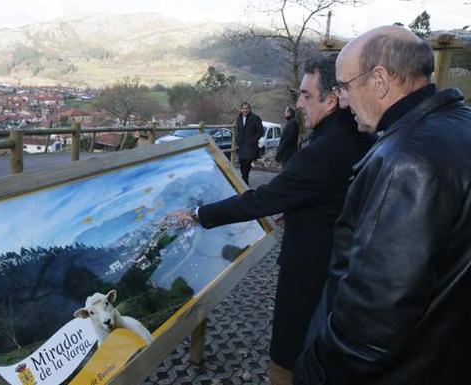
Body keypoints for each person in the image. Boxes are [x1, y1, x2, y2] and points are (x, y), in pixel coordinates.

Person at [170, 55, 374, 385]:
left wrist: (198, 214)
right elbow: (329, 196)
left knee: (287, 356)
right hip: (342, 270)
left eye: (306, 95)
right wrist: (297, 209)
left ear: (332, 99)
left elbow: (261, 198)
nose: (298, 104)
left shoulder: (322, 151)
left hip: (310, 272)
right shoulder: (361, 136)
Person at [294, 26, 471, 385]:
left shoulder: (405, 162)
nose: (341, 101)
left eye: (344, 87)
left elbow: (371, 327)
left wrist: (313, 369)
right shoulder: (459, 124)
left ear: (379, 80)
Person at [236, 102, 263, 184]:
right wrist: (237, 140)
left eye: (247, 108)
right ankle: (244, 178)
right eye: (243, 108)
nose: (245, 110)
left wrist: (254, 140)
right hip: (241, 145)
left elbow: (260, 131)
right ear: (241, 109)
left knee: (247, 163)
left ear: (249, 109)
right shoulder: (239, 118)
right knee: (241, 163)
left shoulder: (255, 118)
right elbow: (238, 130)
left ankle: (244, 180)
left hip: (250, 145)